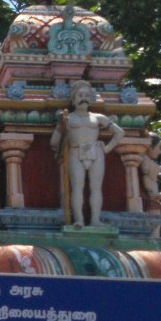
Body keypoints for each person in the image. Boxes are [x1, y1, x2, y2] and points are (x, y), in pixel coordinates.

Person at [50, 80, 124, 227]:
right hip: (75, 152)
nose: (83, 98)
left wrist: (107, 148)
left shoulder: (98, 118)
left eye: (86, 95)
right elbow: (54, 142)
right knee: (77, 186)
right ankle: (79, 220)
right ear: (73, 98)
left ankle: (95, 220)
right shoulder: (67, 118)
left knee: (96, 188)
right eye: (80, 95)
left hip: (95, 153)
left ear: (91, 98)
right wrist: (63, 137)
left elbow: (119, 133)